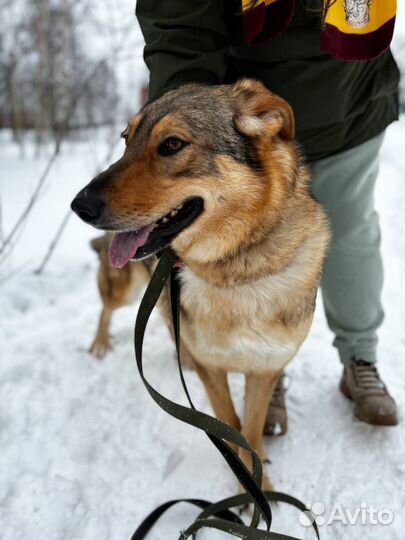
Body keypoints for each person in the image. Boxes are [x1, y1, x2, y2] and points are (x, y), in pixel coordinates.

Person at [136, 0, 400, 429]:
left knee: (351, 235)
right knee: (245, 253)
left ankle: (359, 358)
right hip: (243, 130)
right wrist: (182, 123)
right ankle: (265, 368)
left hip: (350, 104)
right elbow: (176, 22)